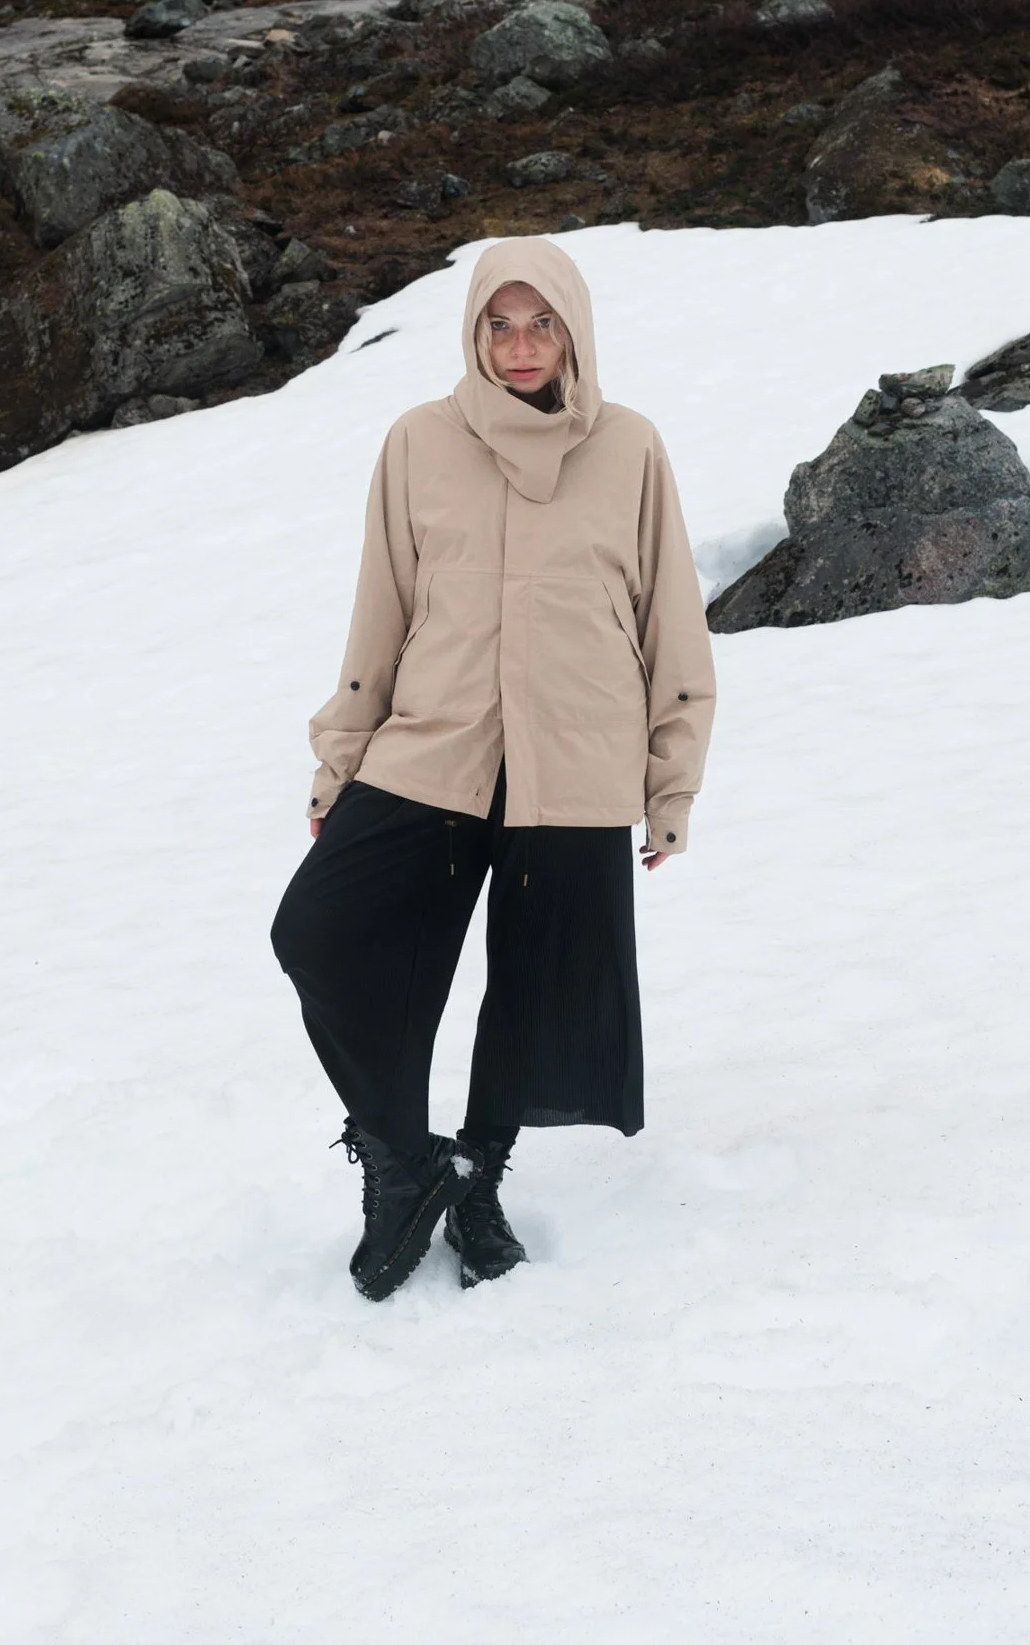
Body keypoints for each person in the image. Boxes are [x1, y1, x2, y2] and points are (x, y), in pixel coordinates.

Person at [272, 236, 715, 1301]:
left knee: (536, 989)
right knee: (317, 935)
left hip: (577, 755)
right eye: (499, 325)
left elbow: (672, 625)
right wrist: (343, 758)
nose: (521, 348)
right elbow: (382, 611)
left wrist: (669, 781)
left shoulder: (630, 448)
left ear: (574, 331)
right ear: (474, 334)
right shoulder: (420, 444)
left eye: (541, 324)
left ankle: (476, 1180)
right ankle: (400, 1160)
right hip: (434, 748)